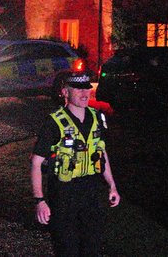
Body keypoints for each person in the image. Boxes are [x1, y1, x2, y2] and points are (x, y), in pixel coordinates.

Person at [30, 71, 121, 257]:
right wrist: (40, 201)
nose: (85, 93)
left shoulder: (97, 118)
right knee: (67, 248)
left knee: (92, 247)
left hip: (91, 194)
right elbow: (36, 163)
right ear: (65, 92)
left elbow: (101, 152)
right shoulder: (54, 123)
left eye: (87, 89)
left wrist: (112, 185)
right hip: (63, 194)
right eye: (78, 90)